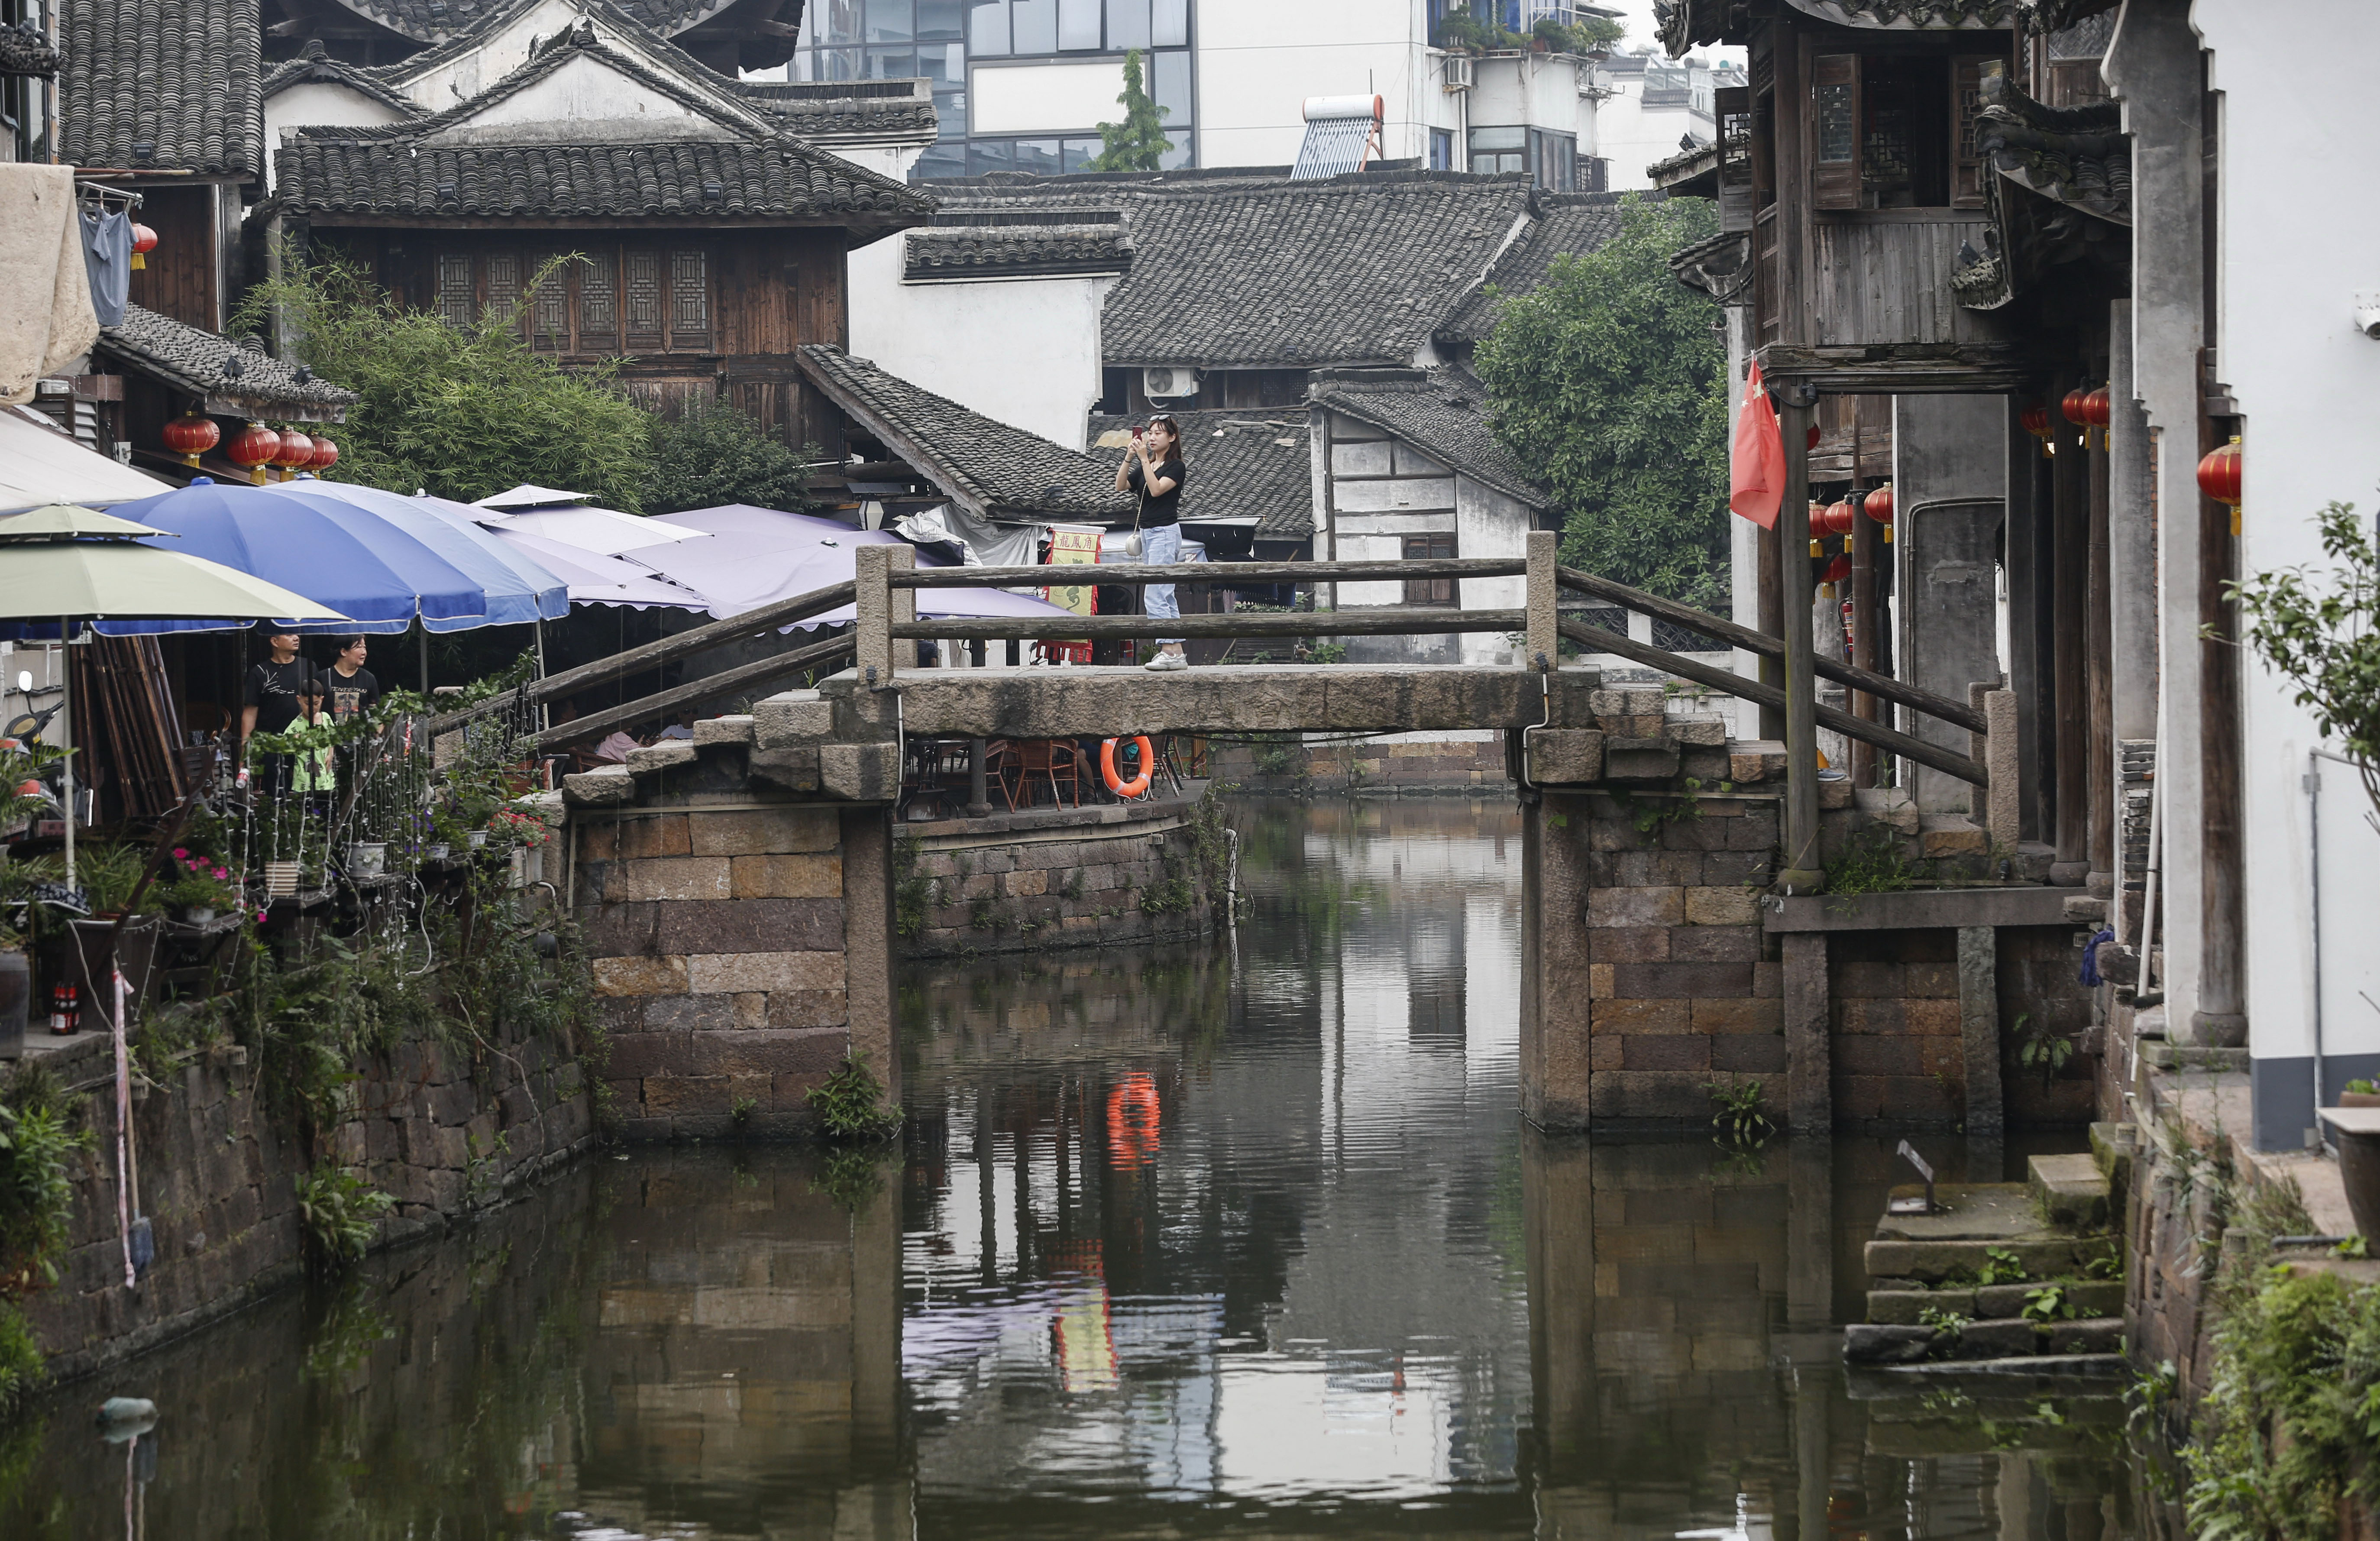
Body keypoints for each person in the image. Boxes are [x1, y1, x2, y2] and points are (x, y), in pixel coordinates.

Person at [1113, 414, 1188, 672]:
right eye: (1150, 432)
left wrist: (1145, 458)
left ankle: (1168, 650)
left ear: (1172, 438)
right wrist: (1130, 457)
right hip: (1148, 533)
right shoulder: (1147, 465)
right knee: (1165, 594)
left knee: (1155, 594)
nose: (1152, 437)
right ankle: (1176, 653)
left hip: (1165, 533)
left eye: (1159, 433)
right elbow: (1121, 485)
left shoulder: (1175, 467)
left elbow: (1156, 490)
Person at [239, 631, 312, 797]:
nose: (296, 638)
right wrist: (245, 746)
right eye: (289, 635)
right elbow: (250, 712)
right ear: (275, 641)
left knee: (307, 793)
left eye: (297, 634)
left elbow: (318, 704)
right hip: (272, 742)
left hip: (304, 741)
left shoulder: (308, 667)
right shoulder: (260, 672)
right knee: (277, 795)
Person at [320, 635, 380, 722]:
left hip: (360, 735)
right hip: (329, 734)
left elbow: (376, 714)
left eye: (365, 647)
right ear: (344, 652)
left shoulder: (369, 678)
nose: (364, 652)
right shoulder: (323, 677)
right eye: (359, 647)